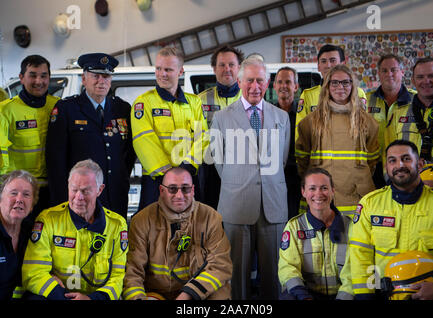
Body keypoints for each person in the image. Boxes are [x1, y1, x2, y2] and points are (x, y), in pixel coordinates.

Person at [210, 57, 290, 299]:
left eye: (260, 81)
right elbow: (219, 162)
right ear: (239, 81)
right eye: (249, 80)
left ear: (268, 83)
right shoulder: (222, 118)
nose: (255, 86)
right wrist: (241, 181)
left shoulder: (281, 117)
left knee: (274, 276)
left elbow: (282, 160)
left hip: (273, 206)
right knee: (237, 277)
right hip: (237, 205)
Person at [349, 140, 433, 300]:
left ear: (420, 164)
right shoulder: (369, 204)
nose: (399, 165)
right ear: (386, 167)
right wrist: (365, 297)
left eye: (406, 158)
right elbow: (361, 256)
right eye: (392, 160)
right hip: (383, 296)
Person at [21, 159, 128, 300]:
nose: (78, 197)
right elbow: (33, 271)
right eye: (74, 189)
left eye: (85, 191)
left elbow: (117, 277)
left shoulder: (117, 225)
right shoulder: (48, 219)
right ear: (68, 186)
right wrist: (62, 297)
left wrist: (91, 299)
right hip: (57, 297)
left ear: (99, 190)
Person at [46, 53, 135, 220]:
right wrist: (61, 200)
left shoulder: (122, 109)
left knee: (114, 242)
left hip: (115, 194)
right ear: (84, 79)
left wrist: (121, 177)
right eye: (95, 76)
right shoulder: (67, 109)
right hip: (80, 199)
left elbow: (129, 152)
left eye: (106, 76)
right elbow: (55, 160)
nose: (101, 81)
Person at [123, 167, 232, 300]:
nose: (179, 195)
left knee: (220, 293)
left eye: (185, 188)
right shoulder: (141, 221)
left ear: (192, 190)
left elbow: (220, 266)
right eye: (172, 189)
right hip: (156, 294)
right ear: (162, 191)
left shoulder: (211, 218)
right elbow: (132, 273)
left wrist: (188, 295)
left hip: (196, 292)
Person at [296, 64, 379, 218]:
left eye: (345, 82)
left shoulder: (368, 123)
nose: (340, 87)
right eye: (335, 82)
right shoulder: (310, 122)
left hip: (357, 199)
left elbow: (373, 162)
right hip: (320, 198)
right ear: (327, 86)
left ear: (352, 86)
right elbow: (302, 161)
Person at [131, 47, 208, 210]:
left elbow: (203, 138)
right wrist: (169, 174)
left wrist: (187, 168)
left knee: (189, 230)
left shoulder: (194, 102)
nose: (162, 74)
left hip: (188, 181)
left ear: (180, 71)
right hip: (156, 182)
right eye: (158, 68)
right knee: (154, 232)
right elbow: (143, 140)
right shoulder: (143, 103)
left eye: (168, 69)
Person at [278, 168, 353, 300]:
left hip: (342, 295)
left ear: (332, 191)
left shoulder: (351, 227)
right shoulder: (294, 227)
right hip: (307, 294)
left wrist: (343, 297)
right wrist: (304, 296)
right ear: (303, 192)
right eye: (312, 188)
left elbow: (354, 272)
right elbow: (288, 268)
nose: (318, 194)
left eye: (324, 188)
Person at [0, 55, 59, 220]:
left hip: (51, 192)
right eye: (32, 75)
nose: (38, 81)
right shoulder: (5, 111)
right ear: (21, 78)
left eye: (43, 75)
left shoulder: (57, 106)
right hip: (19, 194)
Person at [385, 57, 433, 193]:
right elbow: (387, 152)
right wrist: (394, 184)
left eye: (431, 76)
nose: (426, 81)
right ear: (413, 81)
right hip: (403, 190)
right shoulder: (398, 113)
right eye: (420, 77)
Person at [198, 45, 244, 209]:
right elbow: (198, 137)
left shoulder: (249, 99)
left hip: (242, 169)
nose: (227, 69)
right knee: (210, 215)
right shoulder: (201, 100)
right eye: (222, 65)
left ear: (239, 68)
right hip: (210, 169)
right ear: (214, 69)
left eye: (231, 65)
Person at [366, 54, 416, 188]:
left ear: (402, 72)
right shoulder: (364, 101)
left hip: (405, 170)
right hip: (372, 170)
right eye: (384, 70)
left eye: (393, 70)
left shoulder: (417, 101)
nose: (389, 74)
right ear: (379, 74)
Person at [295, 44, 367, 128]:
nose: (328, 65)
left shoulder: (358, 93)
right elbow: (300, 130)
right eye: (323, 61)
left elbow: (364, 127)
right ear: (318, 66)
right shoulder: (308, 96)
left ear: (343, 64)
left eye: (333, 60)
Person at [0, 170, 39, 300]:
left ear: (32, 205)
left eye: (26, 195)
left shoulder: (31, 232)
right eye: (13, 193)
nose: (19, 199)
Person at [274, 67, 302, 219]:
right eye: (279, 82)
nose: (283, 86)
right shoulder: (267, 113)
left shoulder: (303, 115)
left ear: (296, 87)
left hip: (297, 177)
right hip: (274, 177)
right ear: (274, 86)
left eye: (288, 82)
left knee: (294, 217)